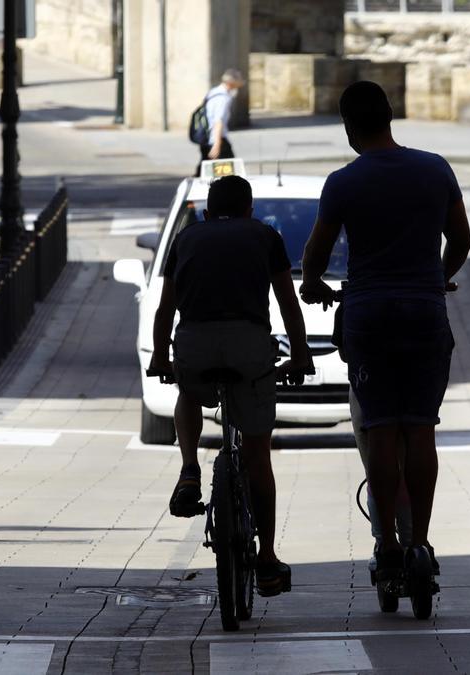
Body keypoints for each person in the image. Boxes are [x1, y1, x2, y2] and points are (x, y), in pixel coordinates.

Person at [300, 81, 470, 585]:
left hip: (369, 314)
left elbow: (316, 250)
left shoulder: (343, 182)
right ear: (391, 116)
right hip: (423, 309)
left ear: (349, 128)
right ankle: (419, 540)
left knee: (379, 426)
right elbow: (460, 239)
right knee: (419, 427)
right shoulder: (435, 168)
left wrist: (311, 284)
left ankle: (388, 545)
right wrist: (437, 279)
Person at [148, 175, 313, 597]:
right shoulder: (264, 235)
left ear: (206, 212)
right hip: (248, 343)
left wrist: (160, 357)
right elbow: (286, 301)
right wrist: (300, 354)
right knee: (258, 453)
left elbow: (166, 306)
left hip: (195, 340)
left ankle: (189, 470)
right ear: (249, 209)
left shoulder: (187, 239)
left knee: (187, 390)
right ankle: (268, 558)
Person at [195, 69, 243, 176]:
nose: (241, 83)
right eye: (239, 80)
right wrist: (217, 144)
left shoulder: (214, 92)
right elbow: (218, 121)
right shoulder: (223, 98)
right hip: (216, 139)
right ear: (232, 82)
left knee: (205, 170)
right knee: (228, 174)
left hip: (206, 138)